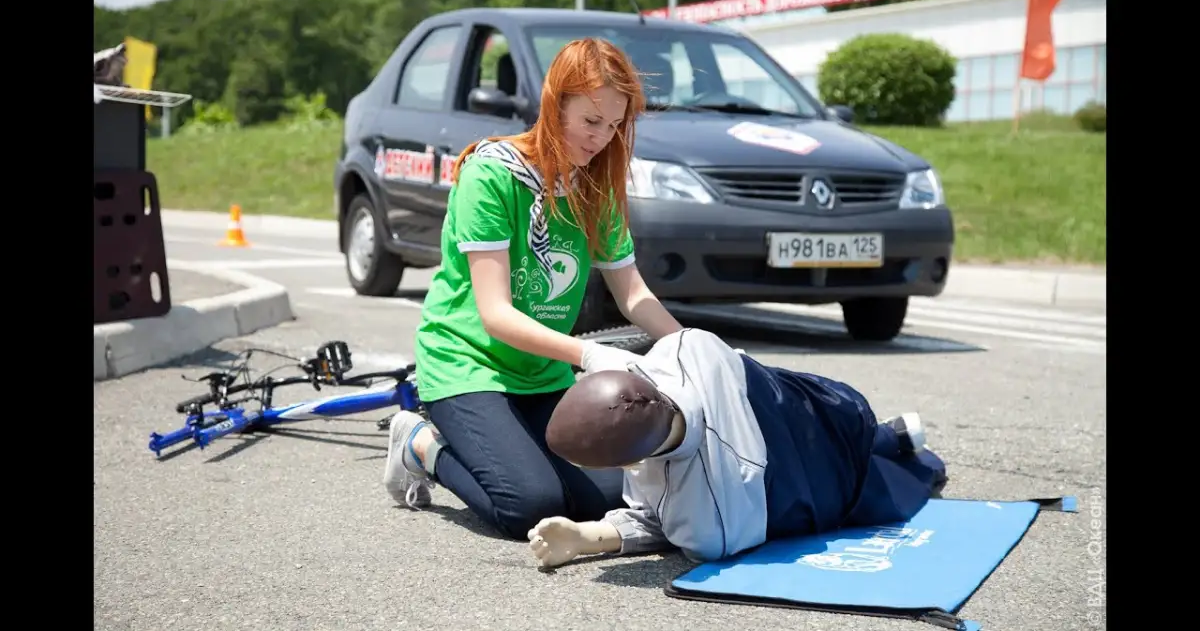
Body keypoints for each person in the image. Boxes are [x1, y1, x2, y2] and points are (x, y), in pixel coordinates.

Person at [381, 38, 686, 540]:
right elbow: (496, 314)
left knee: (608, 499)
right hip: (467, 365)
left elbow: (633, 295)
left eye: (614, 125)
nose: (602, 138)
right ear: (555, 103)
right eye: (591, 121)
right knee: (530, 505)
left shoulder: (596, 185)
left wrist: (691, 348)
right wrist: (589, 355)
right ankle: (419, 444)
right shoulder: (490, 175)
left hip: (541, 372)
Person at [525, 328, 950, 568]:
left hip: (815, 474)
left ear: (631, 461)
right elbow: (601, 358)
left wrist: (590, 538)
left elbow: (658, 525)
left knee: (892, 482)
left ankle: (913, 457)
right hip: (827, 407)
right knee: (860, 429)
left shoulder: (710, 523)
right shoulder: (685, 347)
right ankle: (889, 436)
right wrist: (582, 536)